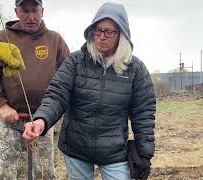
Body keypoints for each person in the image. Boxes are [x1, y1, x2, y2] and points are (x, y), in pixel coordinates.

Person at [22, 2, 156, 180]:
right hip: (76, 148)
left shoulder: (135, 69)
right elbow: (57, 94)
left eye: (109, 32)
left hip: (114, 151)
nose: (101, 36)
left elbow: (143, 113)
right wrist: (41, 121)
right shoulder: (76, 61)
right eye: (98, 30)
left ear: (121, 34)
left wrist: (144, 154)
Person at [0, 0, 70, 179]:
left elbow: (67, 78)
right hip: (8, 120)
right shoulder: (1, 38)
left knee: (44, 174)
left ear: (42, 11)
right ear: (16, 11)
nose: (30, 17)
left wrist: (48, 114)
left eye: (35, 10)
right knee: (5, 173)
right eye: (24, 11)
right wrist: (2, 105)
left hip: (43, 121)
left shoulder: (55, 40)